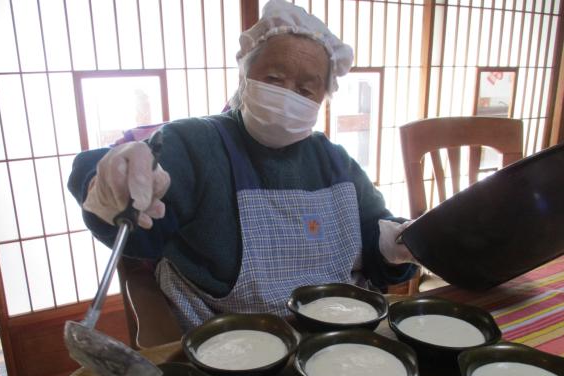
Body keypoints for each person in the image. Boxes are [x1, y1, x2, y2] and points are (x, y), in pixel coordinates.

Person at [68, 0, 417, 331]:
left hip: (335, 336)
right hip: (226, 346)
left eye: (305, 90)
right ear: (245, 76)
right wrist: (108, 186)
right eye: (274, 79)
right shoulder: (195, 144)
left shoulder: (336, 162)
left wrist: (397, 247)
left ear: (323, 99)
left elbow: (377, 247)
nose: (287, 96)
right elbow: (139, 234)